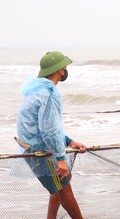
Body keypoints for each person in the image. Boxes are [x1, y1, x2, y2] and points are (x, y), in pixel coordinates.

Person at [16, 51, 87, 219]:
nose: (65, 70)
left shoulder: (36, 89)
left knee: (60, 185)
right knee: (64, 189)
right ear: (60, 70)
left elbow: (44, 126)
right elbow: (49, 129)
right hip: (43, 152)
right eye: (65, 67)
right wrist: (60, 158)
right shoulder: (48, 93)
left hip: (34, 148)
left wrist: (69, 142)